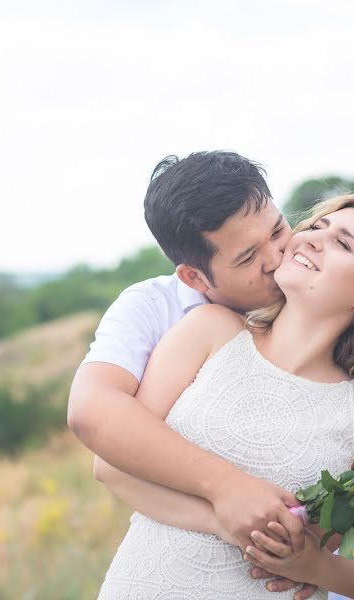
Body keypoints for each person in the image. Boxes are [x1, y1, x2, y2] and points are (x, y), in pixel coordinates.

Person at [95, 192, 354, 599]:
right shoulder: (209, 331)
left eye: (343, 243)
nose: (312, 238)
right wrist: (222, 517)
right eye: (316, 226)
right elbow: (112, 468)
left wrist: (319, 567)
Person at [68, 151, 324, 597]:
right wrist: (224, 494)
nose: (276, 257)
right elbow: (94, 415)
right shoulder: (152, 308)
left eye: (278, 230)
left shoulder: (318, 291)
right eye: (247, 257)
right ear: (195, 278)